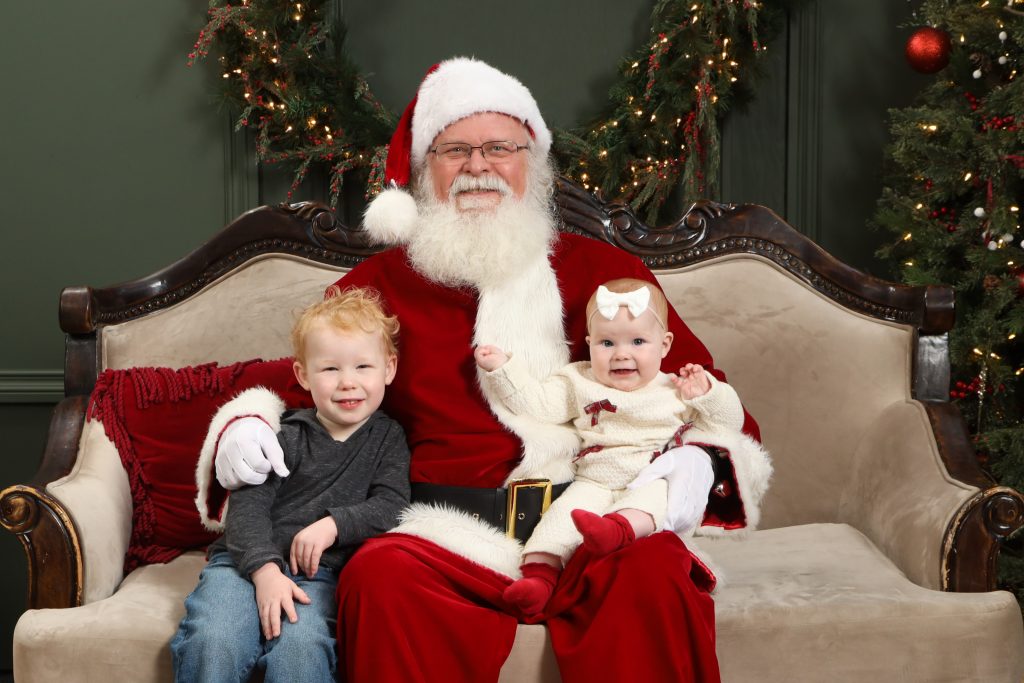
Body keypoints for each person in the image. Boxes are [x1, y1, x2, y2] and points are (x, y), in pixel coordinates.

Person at [195, 57, 772, 682]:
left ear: (533, 161)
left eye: (500, 147)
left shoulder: (603, 273)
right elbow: (296, 383)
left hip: (589, 525)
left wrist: (688, 463)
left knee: (656, 571)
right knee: (380, 575)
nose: (478, 167)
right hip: (444, 534)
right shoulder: (377, 285)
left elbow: (708, 402)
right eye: (454, 151)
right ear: (424, 172)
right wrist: (245, 427)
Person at [172, 288, 410, 682]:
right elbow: (246, 510)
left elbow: (392, 504)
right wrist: (264, 571)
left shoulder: (389, 439)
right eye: (330, 369)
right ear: (303, 375)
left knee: (300, 650)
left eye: (363, 367)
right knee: (215, 639)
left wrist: (333, 525)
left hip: (319, 575)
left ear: (389, 368)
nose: (348, 382)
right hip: (243, 565)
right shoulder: (283, 435)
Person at [474, 277, 747, 615]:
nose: (621, 354)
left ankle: (618, 531)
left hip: (652, 474)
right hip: (595, 480)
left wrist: (708, 391)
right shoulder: (580, 380)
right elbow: (539, 404)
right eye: (606, 343)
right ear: (589, 344)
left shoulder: (675, 390)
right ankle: (538, 579)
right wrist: (503, 369)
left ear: (664, 345)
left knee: (655, 499)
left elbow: (728, 424)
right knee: (561, 519)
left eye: (637, 341)